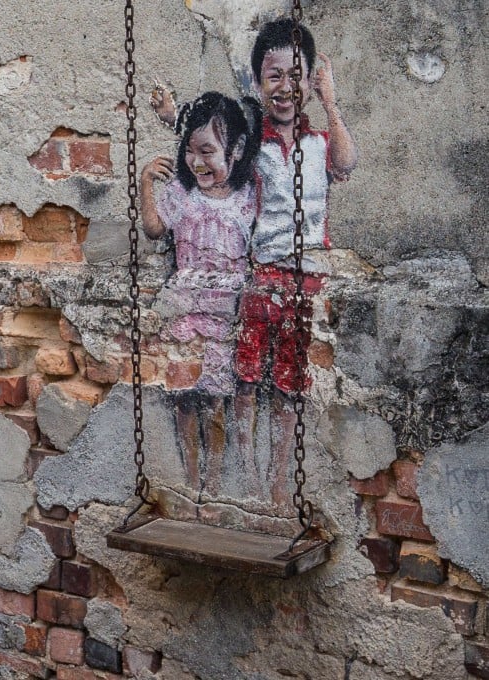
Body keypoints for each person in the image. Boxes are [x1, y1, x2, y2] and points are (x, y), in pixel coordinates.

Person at [232, 18, 358, 505]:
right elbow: (205, 147)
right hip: (262, 278)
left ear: (308, 81)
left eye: (296, 75)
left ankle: (282, 478)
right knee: (247, 379)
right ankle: (246, 475)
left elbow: (347, 165)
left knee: (288, 384)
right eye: (274, 76)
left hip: (307, 282)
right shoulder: (250, 145)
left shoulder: (320, 144)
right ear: (259, 82)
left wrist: (330, 102)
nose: (285, 87)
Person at [140, 92, 262, 495]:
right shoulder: (181, 192)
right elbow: (155, 229)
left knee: (215, 404)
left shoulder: (247, 198)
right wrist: (145, 183)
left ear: (237, 150)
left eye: (207, 152)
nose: (197, 162)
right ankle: (190, 479)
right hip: (184, 313)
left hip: (223, 318)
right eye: (190, 152)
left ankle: (211, 483)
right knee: (183, 401)